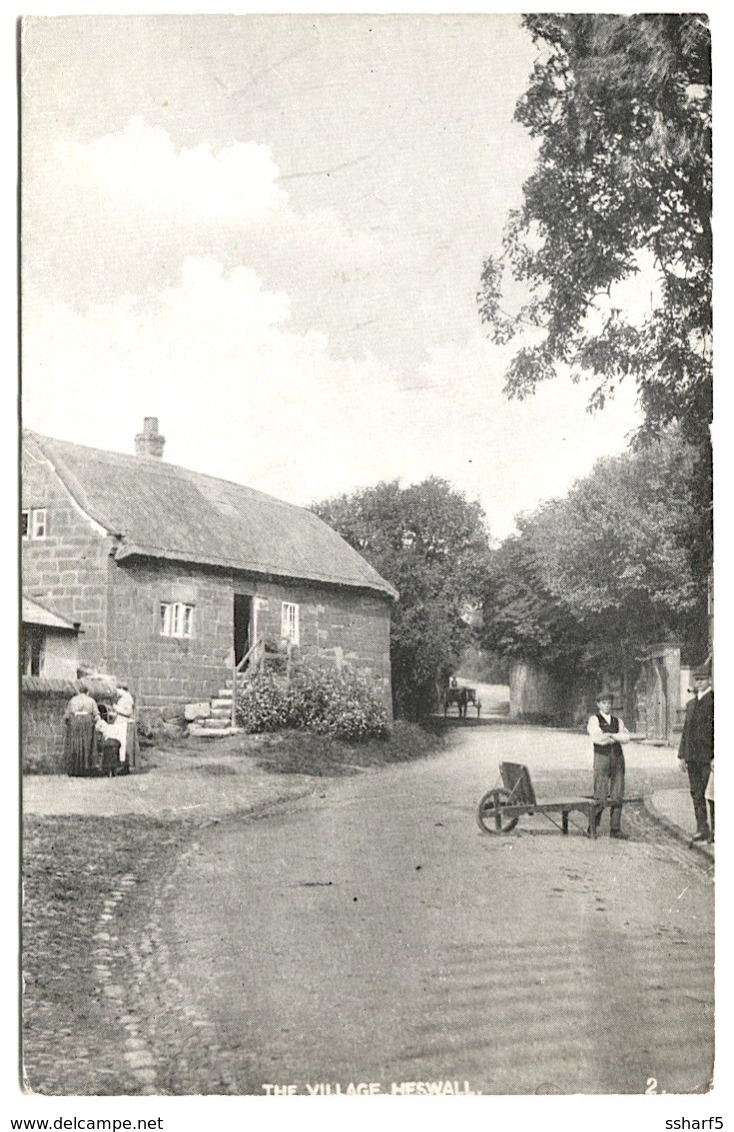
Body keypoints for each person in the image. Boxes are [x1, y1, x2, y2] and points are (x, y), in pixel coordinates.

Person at [587, 691, 631, 839]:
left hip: (617, 758)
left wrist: (610, 735)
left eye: (609, 703)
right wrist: (615, 737)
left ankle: (615, 828)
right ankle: (593, 826)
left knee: (618, 792)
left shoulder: (618, 721)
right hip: (602, 757)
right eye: (604, 703)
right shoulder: (594, 720)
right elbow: (598, 739)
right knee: (600, 792)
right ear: (599, 704)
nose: (607, 706)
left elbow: (626, 737)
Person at [678, 666, 714, 842]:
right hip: (692, 757)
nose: (698, 683)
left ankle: (716, 830)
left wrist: (716, 756)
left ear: (710, 680)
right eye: (696, 680)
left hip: (708, 758)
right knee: (696, 792)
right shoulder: (691, 704)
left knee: (712, 794)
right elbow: (686, 732)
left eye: (702, 679)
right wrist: (681, 756)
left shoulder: (714, 701)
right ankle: (702, 828)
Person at [63, 680, 100, 776]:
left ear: (79, 692)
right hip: (87, 723)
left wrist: (67, 723)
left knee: (75, 745)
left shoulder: (73, 700)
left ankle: (75, 769)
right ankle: (86, 768)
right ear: (87, 692)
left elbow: (67, 715)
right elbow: (96, 715)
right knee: (87, 745)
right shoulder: (91, 701)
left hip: (75, 723)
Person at [114, 682, 139, 771]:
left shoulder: (128, 698)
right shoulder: (124, 698)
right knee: (123, 745)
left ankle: (125, 766)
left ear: (121, 689)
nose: (117, 692)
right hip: (121, 723)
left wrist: (117, 709)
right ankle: (123, 765)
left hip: (125, 724)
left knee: (125, 745)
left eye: (117, 690)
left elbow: (128, 712)